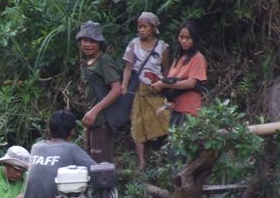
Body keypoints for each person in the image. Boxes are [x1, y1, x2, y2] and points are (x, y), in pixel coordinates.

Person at [18, 110, 97, 198]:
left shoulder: (36, 147)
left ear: (49, 131)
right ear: (73, 131)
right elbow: (98, 172)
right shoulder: (72, 149)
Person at [122, 11, 170, 170]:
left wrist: (166, 85)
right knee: (137, 122)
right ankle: (142, 161)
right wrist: (124, 85)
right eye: (139, 26)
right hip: (138, 89)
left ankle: (166, 154)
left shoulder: (162, 47)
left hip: (156, 88)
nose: (141, 30)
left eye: (144, 26)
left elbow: (166, 70)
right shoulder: (133, 44)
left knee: (164, 117)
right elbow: (128, 68)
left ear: (153, 28)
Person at [77, 21, 122, 164]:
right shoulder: (87, 61)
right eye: (85, 40)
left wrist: (94, 111)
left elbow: (117, 89)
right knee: (91, 163)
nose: (88, 45)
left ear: (99, 43)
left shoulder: (104, 61)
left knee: (101, 166)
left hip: (102, 120)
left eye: (92, 41)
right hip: (92, 122)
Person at [152, 20, 207, 128]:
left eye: (188, 38)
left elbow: (191, 83)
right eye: (181, 37)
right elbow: (171, 80)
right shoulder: (179, 58)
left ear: (194, 39)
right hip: (176, 108)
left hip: (190, 110)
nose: (184, 41)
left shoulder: (198, 58)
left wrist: (164, 84)